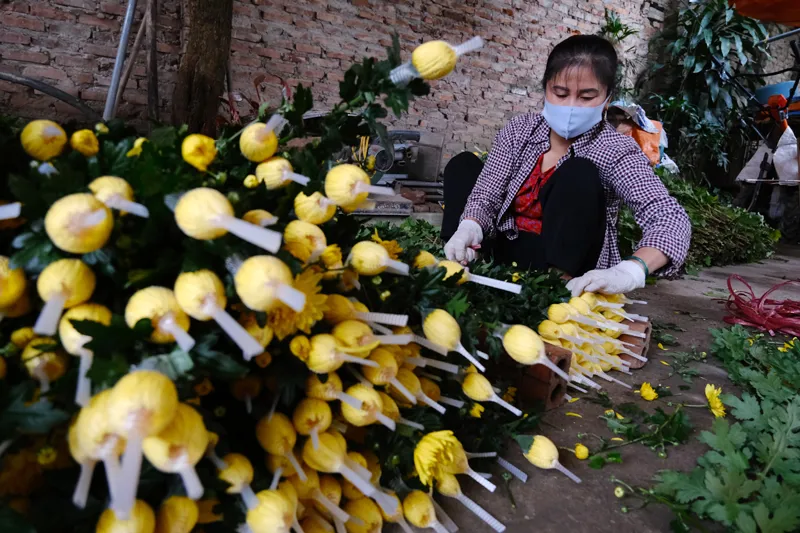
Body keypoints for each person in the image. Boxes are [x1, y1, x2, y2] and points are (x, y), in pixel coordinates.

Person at [442, 34, 691, 297]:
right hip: (503, 250)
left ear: (607, 99)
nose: (571, 106)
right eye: (560, 93)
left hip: (566, 264)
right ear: (546, 89)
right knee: (463, 165)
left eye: (586, 97)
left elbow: (669, 217)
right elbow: (486, 194)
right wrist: (469, 226)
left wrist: (631, 270)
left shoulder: (615, 149)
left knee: (578, 173)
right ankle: (461, 258)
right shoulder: (520, 130)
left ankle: (554, 287)